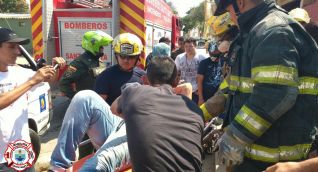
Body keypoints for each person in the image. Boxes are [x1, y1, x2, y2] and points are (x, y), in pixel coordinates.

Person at [213, 0, 318, 171]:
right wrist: (200, 112)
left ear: (240, 2)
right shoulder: (253, 33)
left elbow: (275, 93)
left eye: (228, 11)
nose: (230, 18)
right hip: (251, 158)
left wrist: (235, 137)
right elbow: (232, 86)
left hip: (272, 163)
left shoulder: (273, 31)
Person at [112, 57, 204, 171]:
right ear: (176, 81)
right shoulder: (196, 111)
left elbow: (114, 108)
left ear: (145, 80)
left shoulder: (134, 92)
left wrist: (133, 118)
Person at [0, 27, 65, 171]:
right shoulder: (25, 78)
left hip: (19, 151)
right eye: (11, 46)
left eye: (18, 47)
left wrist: (55, 67)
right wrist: (31, 81)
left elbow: (48, 79)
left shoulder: (19, 72)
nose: (17, 51)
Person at [94, 33, 146, 105]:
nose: (126, 60)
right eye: (122, 56)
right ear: (116, 55)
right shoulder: (105, 76)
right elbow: (98, 106)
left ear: (137, 57)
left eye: (131, 57)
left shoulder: (143, 76)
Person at [59, 30, 113, 99]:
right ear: (93, 45)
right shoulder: (79, 63)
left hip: (99, 100)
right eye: (101, 46)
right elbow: (63, 83)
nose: (102, 48)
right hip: (87, 103)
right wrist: (75, 98)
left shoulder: (98, 60)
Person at [175, 37, 206, 104]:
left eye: (190, 46)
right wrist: (177, 81)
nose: (188, 48)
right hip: (183, 89)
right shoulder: (179, 57)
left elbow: (205, 75)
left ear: (195, 46)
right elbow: (176, 72)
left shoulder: (202, 58)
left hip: (197, 91)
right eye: (186, 46)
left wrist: (201, 93)